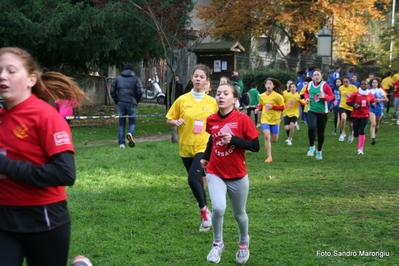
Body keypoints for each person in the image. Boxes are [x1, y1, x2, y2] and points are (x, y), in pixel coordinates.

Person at [0, 47, 89, 266]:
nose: (2, 76)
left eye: (11, 70)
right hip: (4, 219)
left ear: (31, 79)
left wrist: (5, 165)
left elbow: (65, 174)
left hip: (44, 220)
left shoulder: (46, 117)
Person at [200, 83, 260, 265]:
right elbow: (212, 138)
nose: (220, 96)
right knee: (218, 208)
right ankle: (217, 244)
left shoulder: (242, 119)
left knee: (239, 214)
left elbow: (255, 146)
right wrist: (205, 156)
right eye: (218, 93)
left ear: (234, 100)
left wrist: (234, 140)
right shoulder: (211, 120)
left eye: (225, 94)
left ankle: (243, 243)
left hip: (237, 175)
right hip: (215, 171)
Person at [166, 64, 218, 232]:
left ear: (207, 81)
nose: (198, 79)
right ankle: (206, 211)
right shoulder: (182, 100)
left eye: (202, 77)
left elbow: (220, 120)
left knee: (192, 179)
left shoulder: (212, 102)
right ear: (192, 78)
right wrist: (175, 122)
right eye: (196, 76)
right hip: (185, 147)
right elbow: (169, 118)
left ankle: (204, 214)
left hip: (203, 146)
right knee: (197, 182)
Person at [304, 68, 334, 160]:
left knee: (321, 133)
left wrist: (324, 97)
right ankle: (311, 146)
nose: (316, 77)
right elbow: (306, 93)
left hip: (323, 112)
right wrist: (307, 99)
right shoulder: (309, 84)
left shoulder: (325, 85)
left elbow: (332, 97)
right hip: (312, 110)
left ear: (321, 76)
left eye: (318, 75)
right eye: (314, 75)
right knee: (311, 127)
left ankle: (319, 151)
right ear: (312, 77)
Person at [110, 63, 143, 149]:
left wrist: (117, 100)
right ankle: (130, 134)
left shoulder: (118, 78)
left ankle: (121, 143)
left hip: (121, 102)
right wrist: (136, 100)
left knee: (121, 123)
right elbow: (140, 91)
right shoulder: (136, 79)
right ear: (132, 70)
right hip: (132, 103)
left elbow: (112, 90)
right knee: (132, 122)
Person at [255, 78, 285, 163]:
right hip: (265, 119)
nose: (268, 85)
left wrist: (273, 107)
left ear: (273, 86)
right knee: (266, 135)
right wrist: (258, 109)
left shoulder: (278, 96)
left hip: (275, 120)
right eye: (267, 84)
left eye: (270, 84)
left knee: (274, 140)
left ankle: (275, 132)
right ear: (265, 85)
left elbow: (283, 107)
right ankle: (269, 157)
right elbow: (261, 105)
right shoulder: (262, 96)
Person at [346, 80, 376, 155]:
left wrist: (373, 104)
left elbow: (373, 100)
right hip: (355, 115)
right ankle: (354, 133)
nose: (363, 85)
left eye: (365, 84)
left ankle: (360, 149)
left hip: (365, 115)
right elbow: (348, 101)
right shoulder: (356, 93)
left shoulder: (369, 94)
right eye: (362, 84)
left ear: (367, 85)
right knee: (356, 134)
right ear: (360, 85)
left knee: (362, 131)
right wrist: (354, 105)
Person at [338, 76, 357, 143]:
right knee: (343, 118)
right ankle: (343, 133)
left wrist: (350, 97)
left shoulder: (353, 88)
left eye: (347, 82)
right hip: (343, 106)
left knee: (351, 124)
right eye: (344, 82)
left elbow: (357, 98)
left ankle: (351, 134)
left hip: (351, 107)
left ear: (349, 81)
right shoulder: (340, 88)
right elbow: (340, 95)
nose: (345, 83)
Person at [369, 78, 388, 145]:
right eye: (373, 82)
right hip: (371, 109)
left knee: (377, 125)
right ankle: (373, 139)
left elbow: (386, 100)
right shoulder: (369, 91)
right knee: (373, 123)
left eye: (376, 82)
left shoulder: (380, 90)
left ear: (378, 83)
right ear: (371, 83)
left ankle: (374, 132)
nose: (374, 84)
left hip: (379, 109)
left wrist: (379, 100)